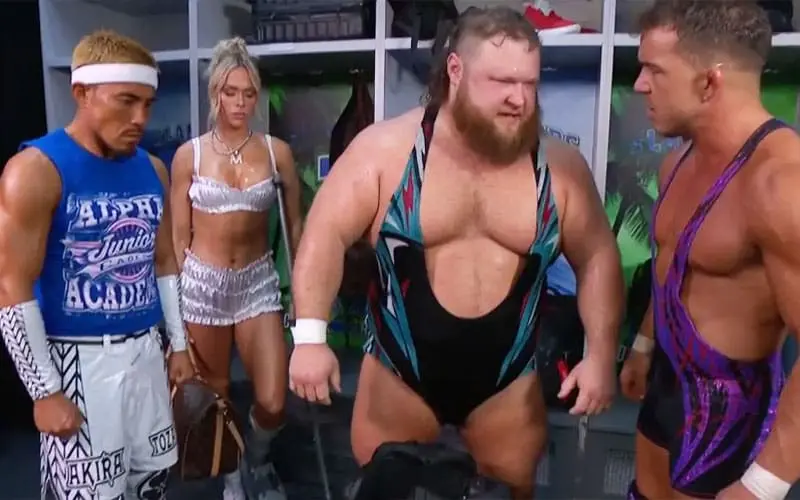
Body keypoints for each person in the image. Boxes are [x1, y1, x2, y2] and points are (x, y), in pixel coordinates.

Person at [287, 6, 624, 499]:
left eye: (530, 83)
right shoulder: (385, 150)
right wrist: (310, 337)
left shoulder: (561, 169)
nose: (519, 98)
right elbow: (325, 233)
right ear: (455, 70)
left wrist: (599, 356)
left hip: (505, 387)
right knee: (385, 485)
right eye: (502, 82)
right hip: (400, 377)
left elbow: (597, 257)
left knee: (510, 490)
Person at [0, 30, 194, 499]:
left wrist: (179, 345)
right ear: (82, 92)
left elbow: (164, 262)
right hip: (79, 360)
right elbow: (11, 286)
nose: (140, 118)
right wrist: (45, 390)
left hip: (146, 352)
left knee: (152, 482)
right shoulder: (36, 169)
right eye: (126, 101)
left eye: (148, 104)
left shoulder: (153, 168)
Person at [618, 1, 800, 499]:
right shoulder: (676, 164)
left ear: (709, 82)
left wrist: (764, 484)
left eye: (654, 69)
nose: (639, 84)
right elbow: (671, 264)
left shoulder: (780, 182)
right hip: (665, 389)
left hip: (730, 421)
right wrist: (643, 345)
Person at [170, 37, 302, 500]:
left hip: (256, 282)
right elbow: (177, 238)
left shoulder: (276, 152)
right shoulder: (189, 155)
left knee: (273, 399)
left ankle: (256, 459)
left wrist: (302, 291)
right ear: (215, 94)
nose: (241, 103)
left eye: (248, 93)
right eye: (231, 92)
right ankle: (232, 475)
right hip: (202, 285)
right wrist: (175, 314)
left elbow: (296, 227)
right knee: (217, 397)